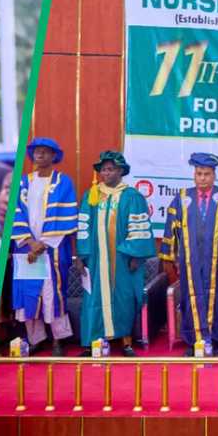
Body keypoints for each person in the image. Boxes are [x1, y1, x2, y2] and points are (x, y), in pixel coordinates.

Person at [159, 153, 218, 357]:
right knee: (190, 299)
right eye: (199, 173)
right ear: (194, 174)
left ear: (214, 175)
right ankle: (193, 343)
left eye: (207, 174)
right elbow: (171, 228)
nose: (202, 178)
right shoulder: (182, 198)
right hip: (190, 261)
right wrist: (174, 257)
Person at [75, 150, 156, 357]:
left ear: (120, 171)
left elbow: (139, 229)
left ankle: (126, 342)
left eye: (110, 169)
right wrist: (82, 255)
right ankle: (93, 342)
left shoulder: (131, 196)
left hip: (122, 259)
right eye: (103, 170)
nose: (106, 173)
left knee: (124, 298)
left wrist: (135, 255)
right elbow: (84, 226)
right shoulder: (92, 195)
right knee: (93, 299)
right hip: (95, 259)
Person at [9, 137, 78, 356]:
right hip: (26, 247)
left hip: (52, 248)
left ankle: (58, 339)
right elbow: (15, 212)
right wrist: (30, 242)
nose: (40, 154)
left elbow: (65, 216)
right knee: (28, 293)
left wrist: (43, 243)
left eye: (45, 151)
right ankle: (36, 338)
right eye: (37, 151)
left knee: (52, 293)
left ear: (54, 156)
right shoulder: (23, 182)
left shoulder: (63, 182)